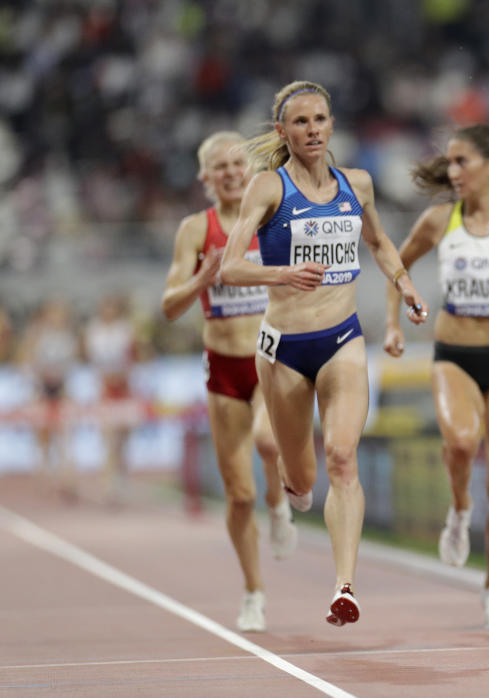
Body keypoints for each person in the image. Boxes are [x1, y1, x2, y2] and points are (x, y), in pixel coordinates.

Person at [220, 80, 428, 628]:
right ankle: (286, 496)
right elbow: (229, 268)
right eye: (301, 122)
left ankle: (345, 587)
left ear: (332, 125)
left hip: (342, 339)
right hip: (284, 348)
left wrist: (404, 284)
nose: (312, 130)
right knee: (304, 480)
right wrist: (280, 272)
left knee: (341, 458)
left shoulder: (356, 184)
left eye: (320, 120)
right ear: (282, 131)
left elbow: (380, 242)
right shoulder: (268, 187)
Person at [383, 125, 489, 630]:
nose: (453, 173)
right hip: (453, 354)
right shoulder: (440, 220)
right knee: (460, 443)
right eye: (451, 163)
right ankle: (459, 509)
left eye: (462, 162)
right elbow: (396, 263)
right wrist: (396, 318)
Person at [162, 130, 298, 633]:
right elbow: (169, 305)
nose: (231, 173)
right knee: (237, 494)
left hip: (270, 354)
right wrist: (203, 278)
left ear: (252, 169)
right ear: (205, 178)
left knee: (268, 440)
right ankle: (253, 591)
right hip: (221, 367)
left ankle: (280, 503)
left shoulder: (272, 217)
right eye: (219, 166)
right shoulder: (196, 229)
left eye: (238, 164)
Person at [17, 299, 80, 500]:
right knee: (43, 439)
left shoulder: (68, 338)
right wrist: (34, 382)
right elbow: (26, 362)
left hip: (61, 391)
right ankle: (43, 482)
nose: (57, 318)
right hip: (42, 391)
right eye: (53, 314)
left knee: (64, 438)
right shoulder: (37, 336)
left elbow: (72, 365)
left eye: (60, 314)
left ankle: (65, 481)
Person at [83, 293, 142, 504]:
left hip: (125, 389)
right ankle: (110, 485)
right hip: (105, 390)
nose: (109, 312)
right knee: (108, 439)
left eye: (112, 308)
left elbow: (135, 356)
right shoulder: (93, 331)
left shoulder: (125, 329)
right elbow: (89, 359)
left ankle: (122, 477)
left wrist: (127, 372)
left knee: (123, 440)